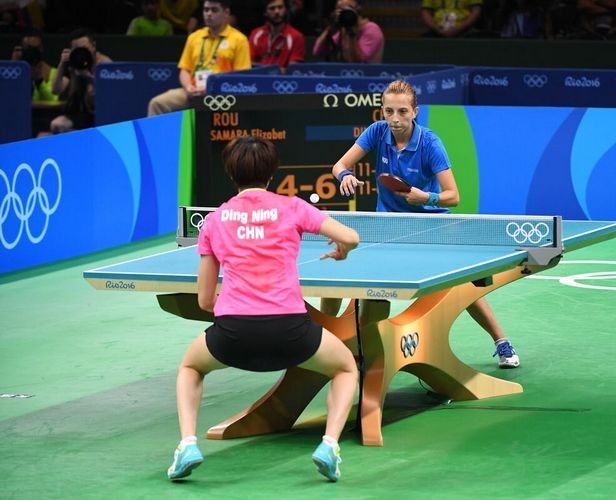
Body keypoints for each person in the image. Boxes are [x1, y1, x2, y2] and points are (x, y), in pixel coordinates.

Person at [167, 136, 360, 482]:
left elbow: (205, 301)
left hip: (233, 334)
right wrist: (343, 250)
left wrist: (240, 315)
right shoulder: (293, 207)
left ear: (231, 174)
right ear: (272, 173)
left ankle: (188, 445)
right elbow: (351, 237)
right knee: (346, 368)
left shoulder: (214, 221)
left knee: (190, 367)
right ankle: (329, 445)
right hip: (292, 332)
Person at [324, 80, 521, 369]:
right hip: (388, 225)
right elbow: (339, 165)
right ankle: (336, 344)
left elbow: (454, 196)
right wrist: (345, 176)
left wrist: (425, 197)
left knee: (461, 287)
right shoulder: (378, 132)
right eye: (389, 111)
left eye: (402, 111)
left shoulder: (430, 144)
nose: (395, 118)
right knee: (346, 278)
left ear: (415, 111)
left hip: (430, 226)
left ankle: (501, 341)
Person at [148, 0, 251, 117]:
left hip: (221, 95)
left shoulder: (239, 40)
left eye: (214, 10)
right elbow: (184, 70)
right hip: (193, 92)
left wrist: (211, 88)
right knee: (157, 103)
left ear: (226, 13)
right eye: (206, 10)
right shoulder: (194, 37)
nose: (209, 14)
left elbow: (240, 76)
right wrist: (188, 87)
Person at [48, 29, 111, 134]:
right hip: (77, 113)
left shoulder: (104, 64)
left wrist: (89, 77)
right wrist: (62, 64)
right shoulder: (73, 62)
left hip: (99, 114)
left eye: (85, 48)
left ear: (93, 46)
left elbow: (108, 95)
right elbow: (56, 90)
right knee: (56, 125)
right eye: (77, 49)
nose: (82, 52)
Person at [312, 0, 384, 63]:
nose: (345, 13)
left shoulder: (371, 29)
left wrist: (352, 35)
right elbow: (317, 52)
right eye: (341, 10)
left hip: (368, 73)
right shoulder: (344, 30)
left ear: (358, 9)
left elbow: (359, 63)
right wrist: (330, 27)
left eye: (348, 9)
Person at [248, 0, 306, 70]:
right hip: (258, 76)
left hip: (282, 77)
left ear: (285, 10)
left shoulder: (297, 37)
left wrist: (269, 71)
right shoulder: (255, 34)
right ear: (265, 13)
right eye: (272, 8)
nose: (277, 11)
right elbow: (249, 64)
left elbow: (292, 70)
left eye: (280, 7)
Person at [11, 30, 59, 104]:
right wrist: (12, 66)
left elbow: (53, 102)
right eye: (28, 48)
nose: (32, 52)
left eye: (35, 49)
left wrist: (39, 82)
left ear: (41, 49)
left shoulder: (53, 73)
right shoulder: (10, 72)